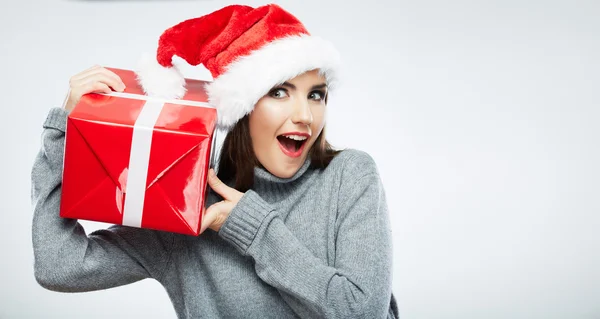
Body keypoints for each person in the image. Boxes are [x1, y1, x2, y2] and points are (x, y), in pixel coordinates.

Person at [31, 4, 399, 319]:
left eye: (316, 95)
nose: (305, 115)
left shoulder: (349, 176)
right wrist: (63, 134)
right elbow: (58, 265)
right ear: (242, 109)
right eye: (279, 92)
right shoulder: (188, 206)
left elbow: (362, 311)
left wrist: (251, 228)